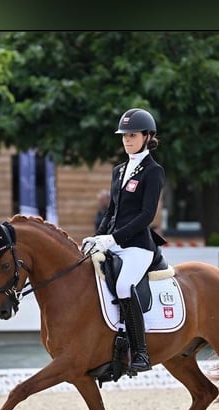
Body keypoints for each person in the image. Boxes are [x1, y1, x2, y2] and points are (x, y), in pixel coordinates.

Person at [82, 107, 166, 372]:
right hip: (114, 242)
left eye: (133, 135)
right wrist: (97, 238)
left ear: (147, 136)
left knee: (123, 285)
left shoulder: (153, 171)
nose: (127, 140)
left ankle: (140, 353)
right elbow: (111, 211)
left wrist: (113, 239)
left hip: (138, 247)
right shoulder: (119, 170)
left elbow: (146, 216)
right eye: (124, 136)